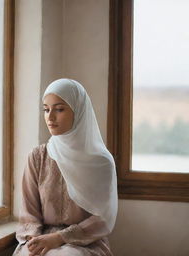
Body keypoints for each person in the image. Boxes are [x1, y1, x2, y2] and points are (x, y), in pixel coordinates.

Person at [13, 78, 118, 256]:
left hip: (85, 242)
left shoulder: (100, 162)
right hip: (41, 238)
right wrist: (34, 241)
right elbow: (29, 213)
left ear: (78, 111)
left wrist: (60, 238)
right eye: (46, 110)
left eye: (59, 109)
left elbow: (102, 219)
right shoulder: (38, 157)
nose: (50, 117)